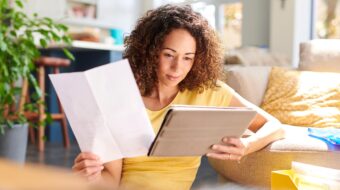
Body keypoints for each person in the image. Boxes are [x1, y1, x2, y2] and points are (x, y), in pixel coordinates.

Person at [72, 4, 284, 190]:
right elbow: (111, 181)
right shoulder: (119, 97)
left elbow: (275, 126)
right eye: (169, 55)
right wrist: (92, 177)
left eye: (187, 58)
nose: (177, 68)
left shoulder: (209, 92)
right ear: (149, 51)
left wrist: (248, 146)